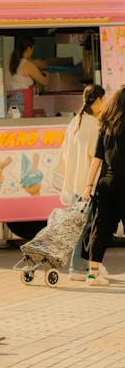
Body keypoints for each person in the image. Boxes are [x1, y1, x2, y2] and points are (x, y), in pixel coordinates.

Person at [60, 84, 107, 282]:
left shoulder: (75, 122)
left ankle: (87, 265)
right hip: (88, 185)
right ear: (96, 102)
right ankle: (77, 268)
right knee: (86, 227)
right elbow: (96, 157)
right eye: (103, 100)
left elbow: (64, 153)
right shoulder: (94, 126)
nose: (105, 104)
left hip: (74, 182)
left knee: (83, 226)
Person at [81, 85, 125, 286]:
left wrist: (88, 186)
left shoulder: (106, 124)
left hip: (105, 184)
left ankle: (92, 274)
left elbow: (97, 159)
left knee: (101, 228)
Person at [7, 36, 49, 117]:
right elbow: (45, 81)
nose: (32, 51)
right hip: (24, 100)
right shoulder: (28, 65)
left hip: (13, 100)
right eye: (33, 49)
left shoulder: (15, 62)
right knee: (26, 123)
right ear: (29, 49)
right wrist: (48, 75)